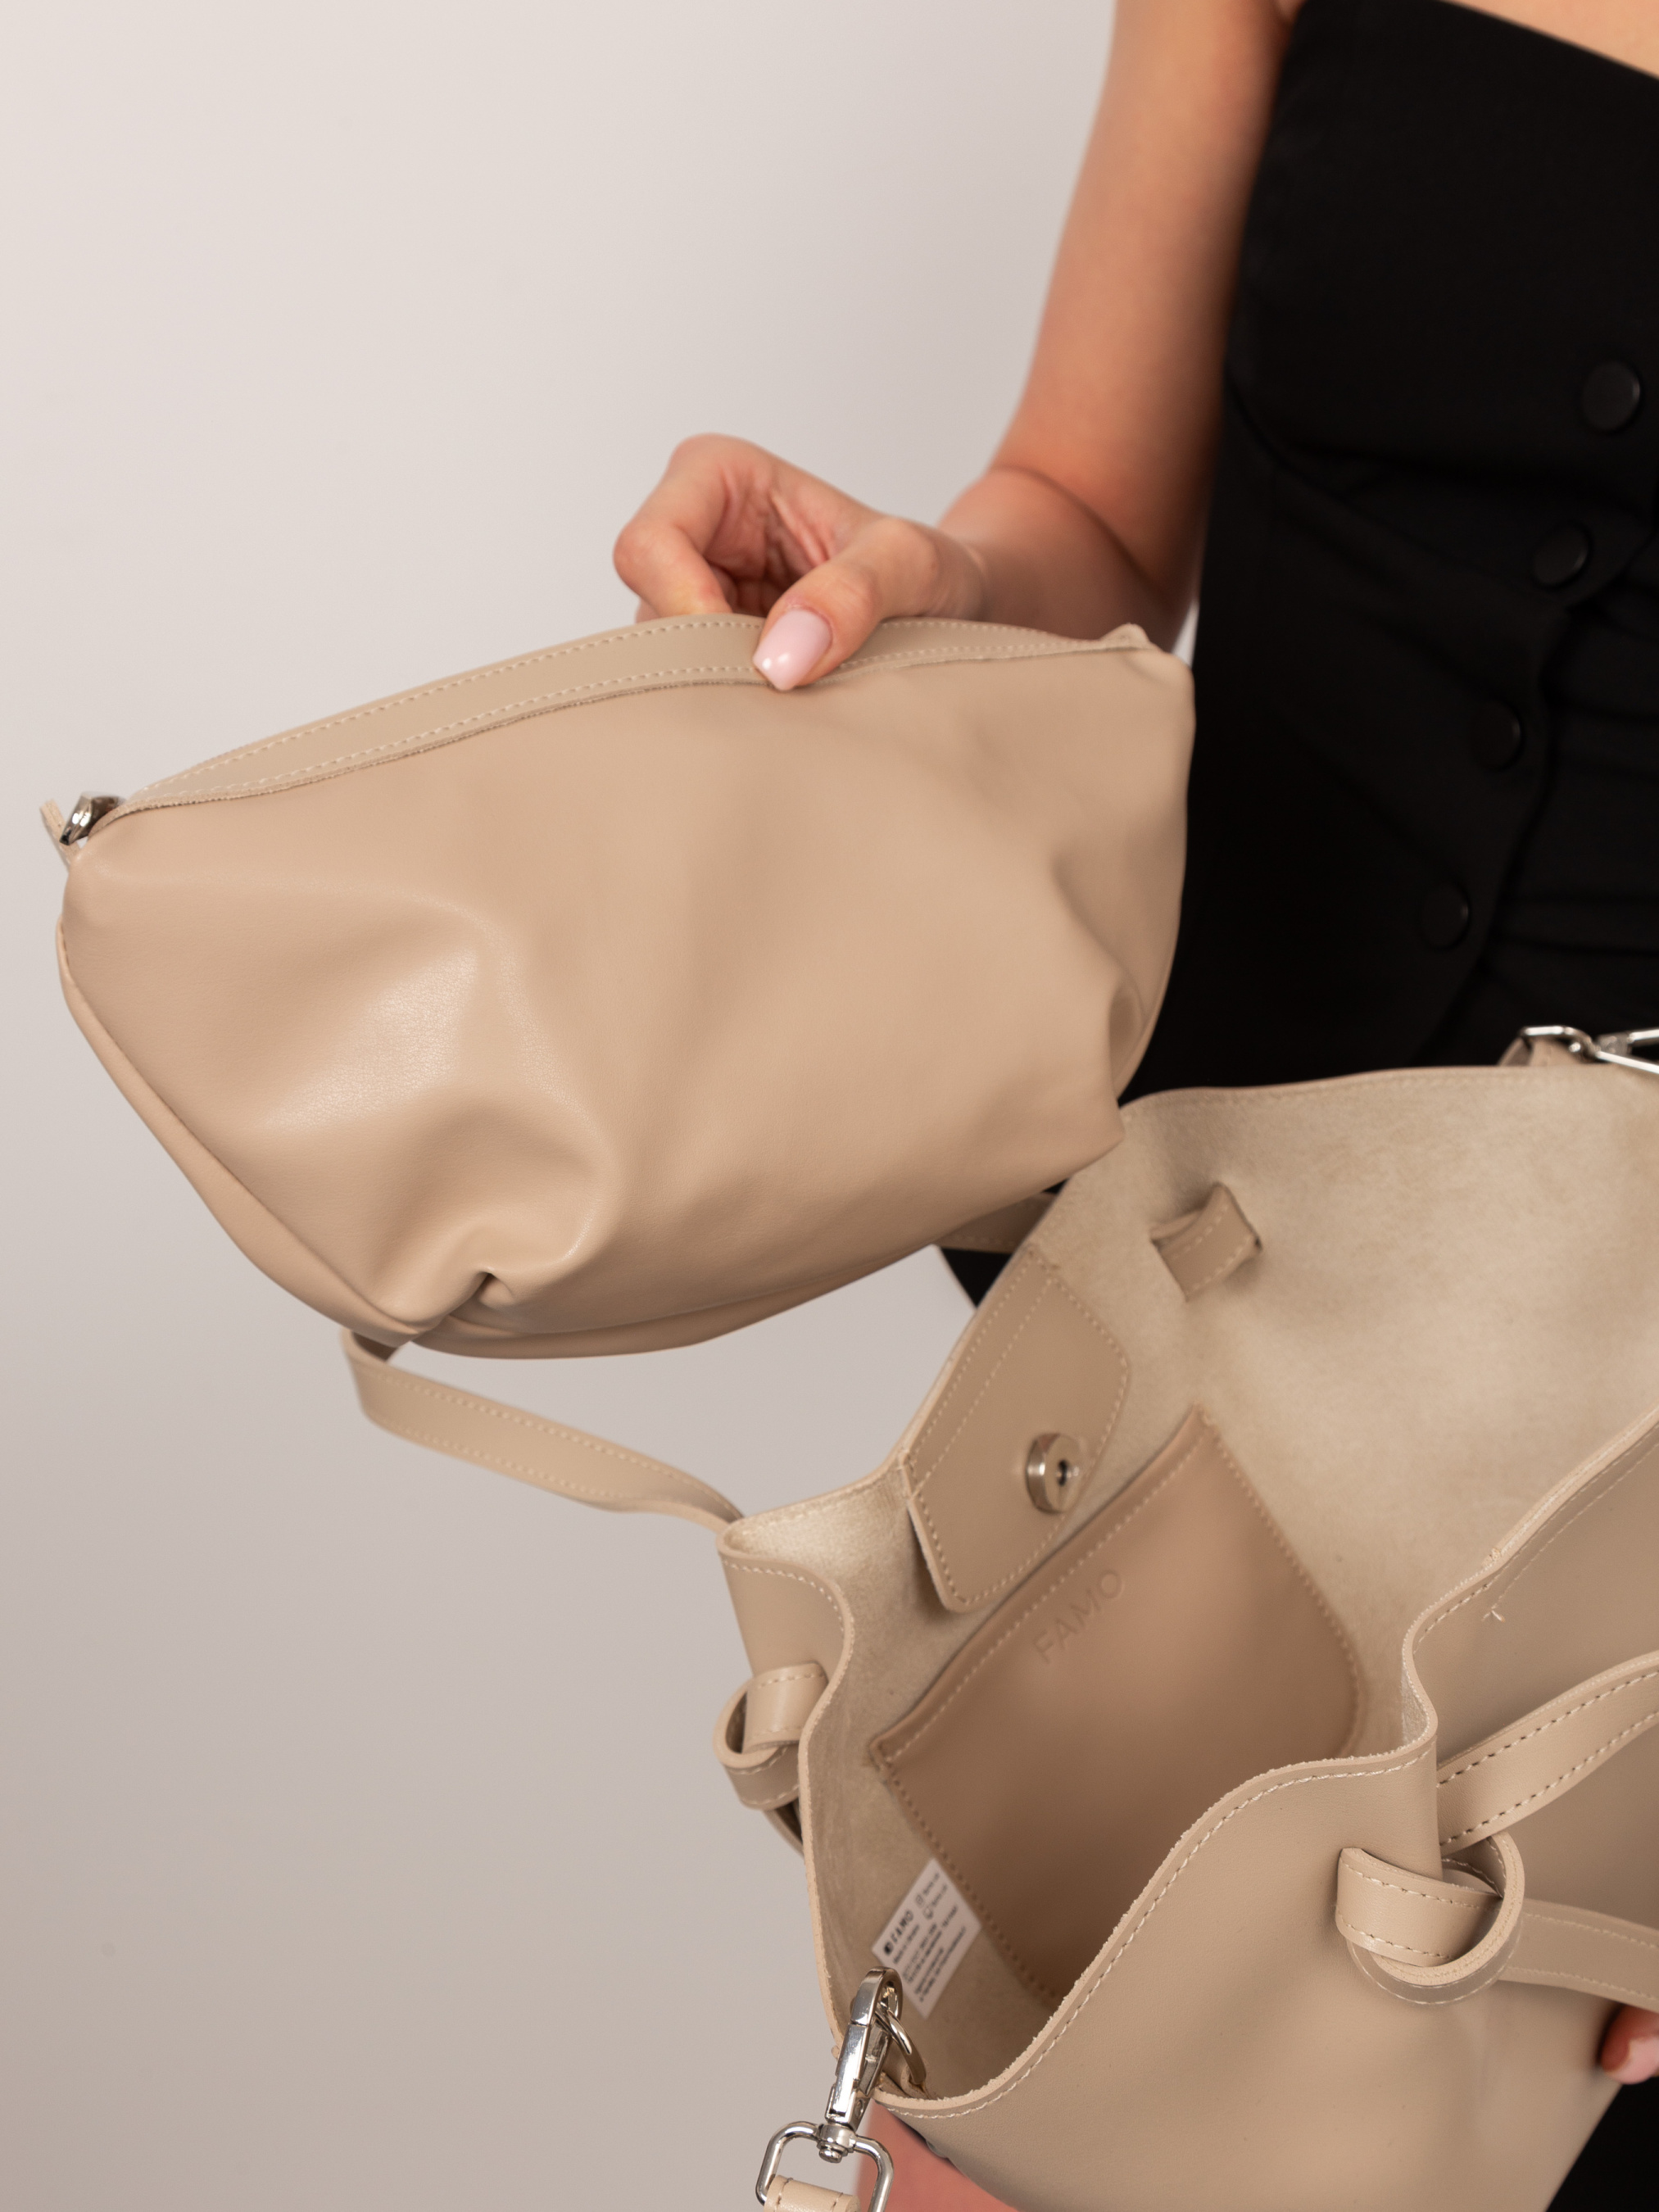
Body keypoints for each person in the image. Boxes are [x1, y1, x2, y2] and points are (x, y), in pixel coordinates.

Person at [614, 1, 1659, 2202]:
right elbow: (1090, 504)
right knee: (1017, 2131)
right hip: (1181, 1353)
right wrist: (932, 587)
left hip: (1625, 1544)